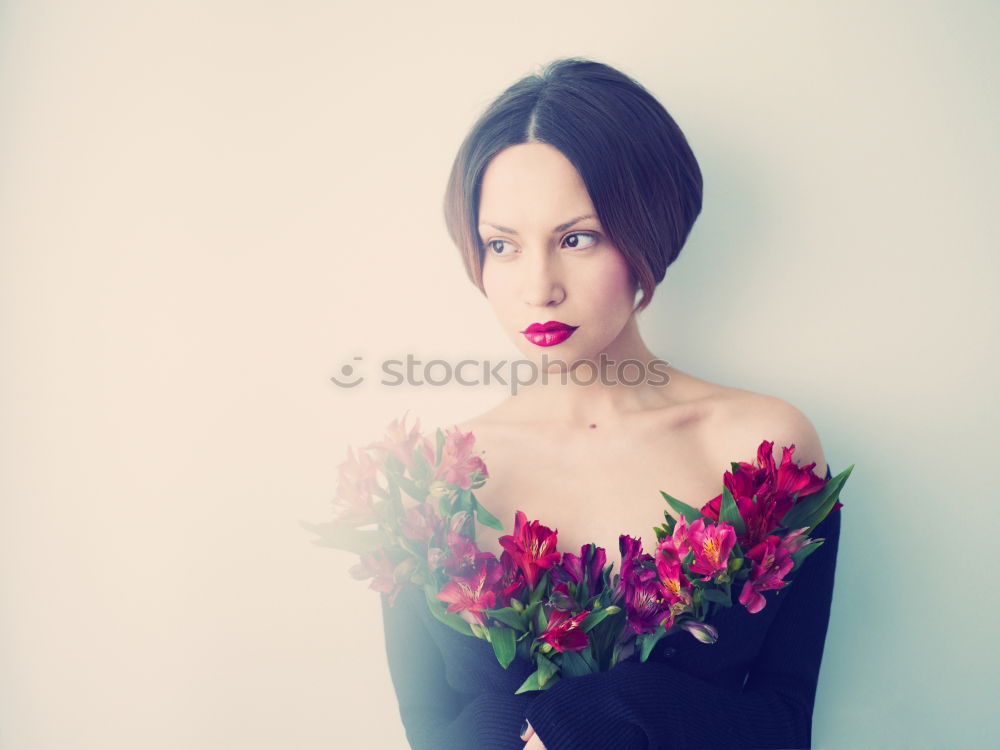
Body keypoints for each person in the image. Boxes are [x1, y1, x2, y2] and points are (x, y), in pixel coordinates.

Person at [379, 57, 842, 750]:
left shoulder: (763, 451)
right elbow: (428, 725)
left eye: (577, 239)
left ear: (646, 232)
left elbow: (783, 722)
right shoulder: (431, 481)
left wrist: (603, 710)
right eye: (501, 245)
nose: (539, 287)